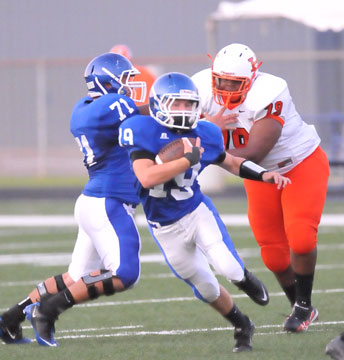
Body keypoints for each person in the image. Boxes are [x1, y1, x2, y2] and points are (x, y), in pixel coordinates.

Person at [119, 72, 291, 352]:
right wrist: (187, 159)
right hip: (164, 227)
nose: (184, 111)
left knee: (229, 269)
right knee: (206, 288)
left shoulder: (205, 132)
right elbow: (147, 178)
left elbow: (231, 162)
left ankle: (244, 278)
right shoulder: (141, 129)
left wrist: (264, 175)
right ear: (159, 104)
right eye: (177, 104)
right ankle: (242, 324)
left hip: (196, 211)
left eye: (189, 105)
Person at [0, 52, 147, 346]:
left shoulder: (84, 107)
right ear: (107, 82)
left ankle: (10, 318)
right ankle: (48, 311)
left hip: (92, 201)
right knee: (126, 273)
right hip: (110, 201)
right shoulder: (112, 105)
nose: (130, 87)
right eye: (125, 80)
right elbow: (150, 121)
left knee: (75, 277)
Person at [191, 43, 330, 333]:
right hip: (259, 176)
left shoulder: (270, 91)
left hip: (298, 164)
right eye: (222, 80)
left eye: (235, 82)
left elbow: (255, 152)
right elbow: (164, 118)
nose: (227, 87)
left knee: (302, 239)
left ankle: (303, 305)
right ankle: (301, 306)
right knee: (273, 253)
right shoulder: (199, 86)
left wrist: (200, 143)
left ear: (253, 77)